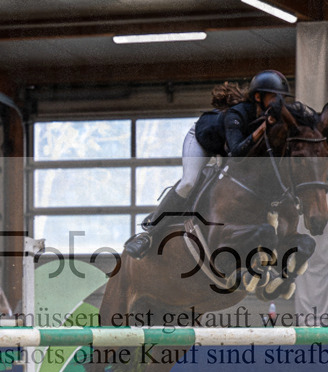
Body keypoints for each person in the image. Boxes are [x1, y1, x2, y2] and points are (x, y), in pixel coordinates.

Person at [123, 70, 292, 258]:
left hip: (224, 150)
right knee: (189, 182)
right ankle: (149, 234)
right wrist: (261, 129)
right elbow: (237, 152)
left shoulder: (270, 118)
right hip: (202, 141)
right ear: (258, 96)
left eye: (282, 98)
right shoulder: (237, 113)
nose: (280, 102)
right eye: (274, 96)